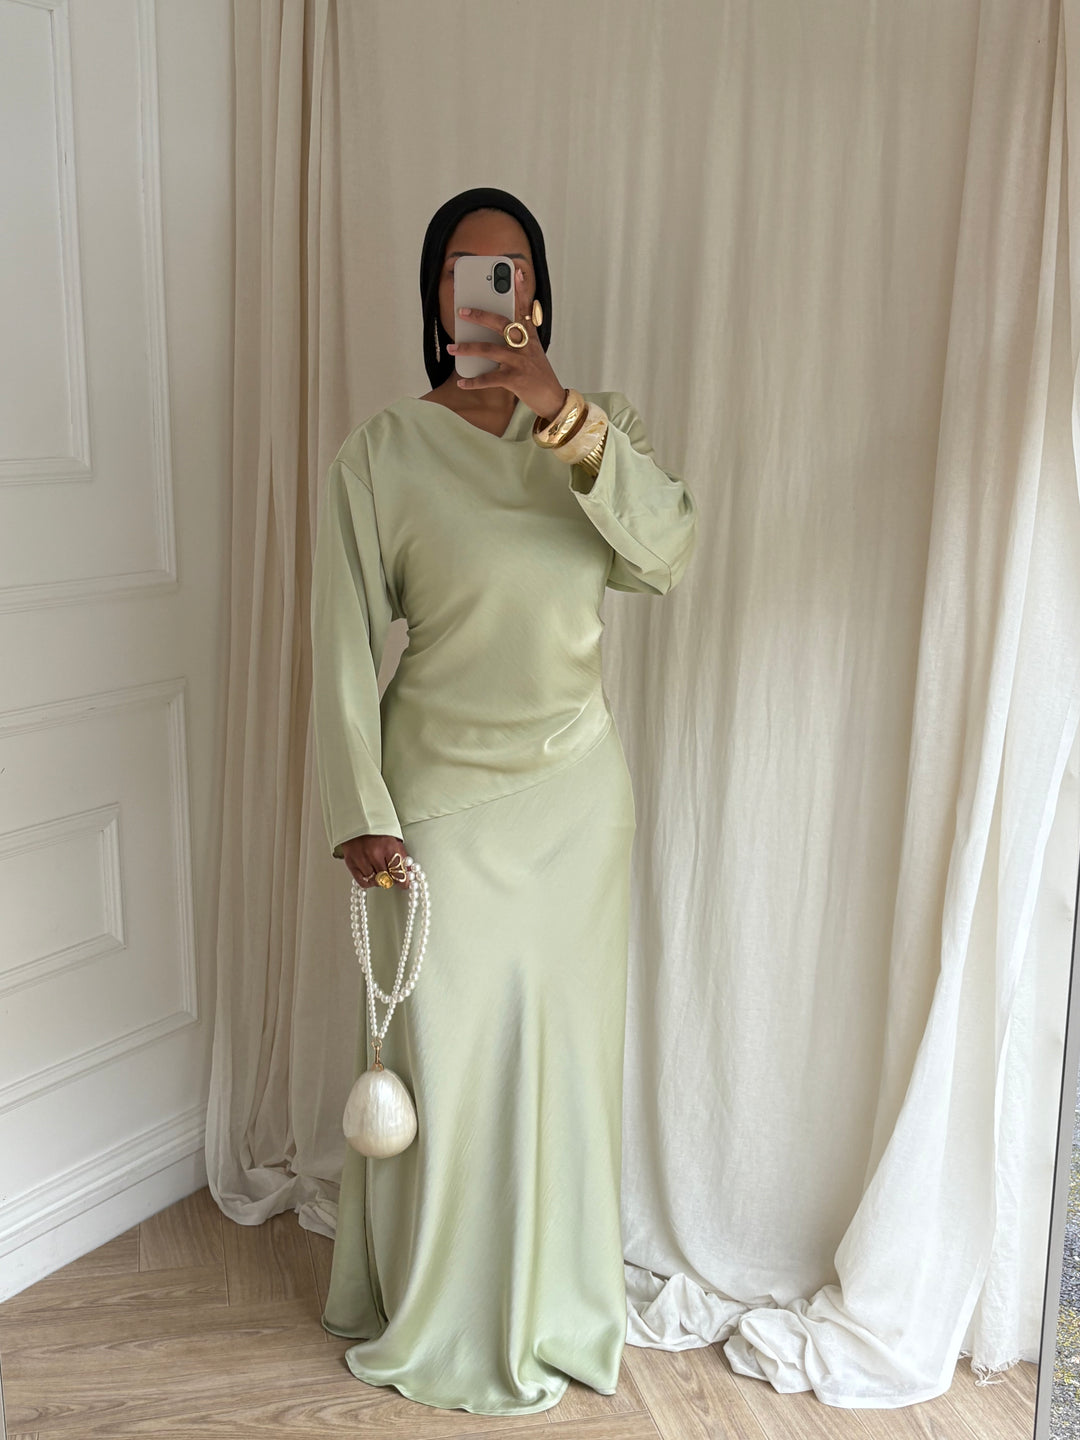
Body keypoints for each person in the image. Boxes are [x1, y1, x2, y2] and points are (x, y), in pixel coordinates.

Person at [310, 186, 698, 1416]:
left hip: (577, 804)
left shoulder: (597, 430)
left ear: (539, 292)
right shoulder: (379, 453)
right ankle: (435, 1307)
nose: (493, 287)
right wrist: (362, 808)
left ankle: (554, 1308)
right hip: (435, 810)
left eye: (513, 268)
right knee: (451, 1071)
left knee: (564, 1071)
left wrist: (561, 413)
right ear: (436, 297)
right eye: (468, 269)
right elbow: (339, 641)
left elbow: (665, 556)